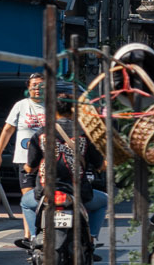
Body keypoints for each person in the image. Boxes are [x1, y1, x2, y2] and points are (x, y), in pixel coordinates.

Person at [23, 89, 108, 246]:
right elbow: (100, 165)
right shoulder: (84, 134)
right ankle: (91, 237)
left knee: (25, 203)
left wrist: (27, 167)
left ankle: (34, 237)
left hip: (45, 192)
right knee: (104, 201)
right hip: (79, 193)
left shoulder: (41, 133)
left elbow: (30, 167)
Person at [0, 73, 48, 235]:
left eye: (41, 86)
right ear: (28, 88)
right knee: (28, 198)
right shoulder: (20, 106)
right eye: (34, 86)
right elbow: (7, 130)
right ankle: (29, 235)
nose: (37, 89)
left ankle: (48, 231)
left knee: (48, 197)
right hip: (25, 160)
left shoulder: (53, 106)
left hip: (49, 161)